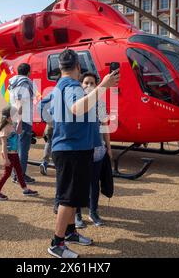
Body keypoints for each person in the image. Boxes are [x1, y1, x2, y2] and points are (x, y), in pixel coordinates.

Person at [43, 49, 119, 258]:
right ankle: (56, 244)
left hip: (67, 148)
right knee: (69, 198)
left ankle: (70, 233)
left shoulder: (59, 85)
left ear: (60, 67)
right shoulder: (72, 86)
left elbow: (52, 113)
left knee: (73, 196)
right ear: (78, 66)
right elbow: (76, 108)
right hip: (72, 149)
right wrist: (103, 85)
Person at [75, 72, 113, 228]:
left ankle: (93, 211)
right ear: (80, 84)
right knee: (78, 183)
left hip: (97, 150)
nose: (88, 85)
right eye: (85, 82)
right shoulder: (77, 103)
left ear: (97, 85)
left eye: (92, 83)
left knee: (94, 183)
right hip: (80, 149)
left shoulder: (101, 104)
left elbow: (105, 127)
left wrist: (108, 148)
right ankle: (77, 214)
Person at [0, 106, 39, 200]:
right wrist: (5, 159)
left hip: (14, 154)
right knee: (7, 174)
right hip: (8, 154)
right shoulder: (5, 128)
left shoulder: (11, 125)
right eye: (14, 115)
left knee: (19, 172)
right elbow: (4, 145)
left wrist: (20, 119)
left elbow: (18, 131)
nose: (16, 116)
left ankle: (25, 189)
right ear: (8, 117)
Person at [8, 63, 37, 184]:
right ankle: (20, 176)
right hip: (23, 119)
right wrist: (20, 120)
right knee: (23, 149)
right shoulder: (25, 83)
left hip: (14, 117)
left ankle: (15, 174)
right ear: (28, 72)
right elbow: (20, 102)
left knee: (16, 148)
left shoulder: (13, 82)